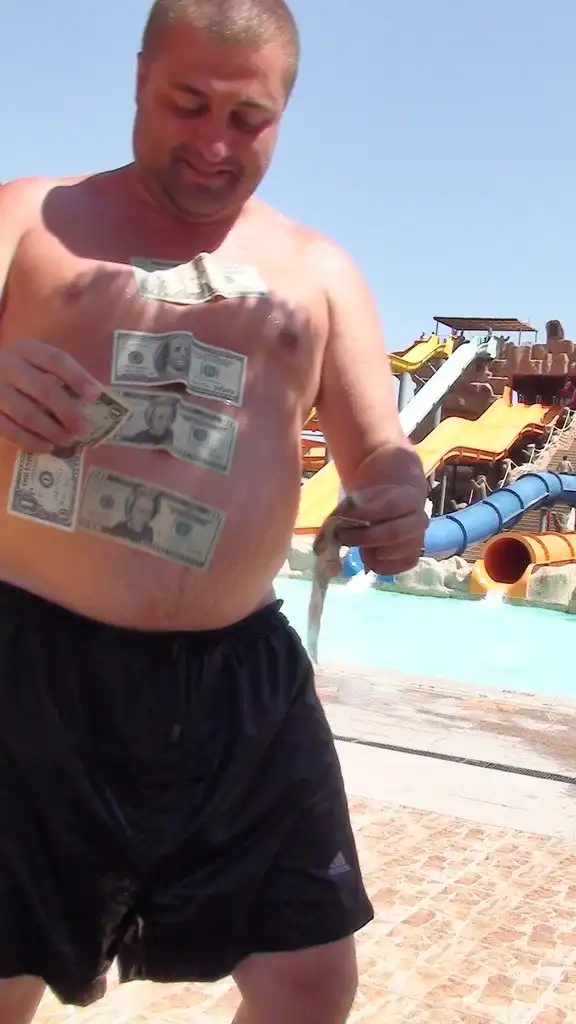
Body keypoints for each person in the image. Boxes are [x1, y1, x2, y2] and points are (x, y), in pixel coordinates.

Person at [0, 1, 427, 1021]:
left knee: (309, 980)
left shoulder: (318, 271)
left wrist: (399, 496)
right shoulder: (29, 216)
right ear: (139, 78)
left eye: (249, 118)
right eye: (187, 103)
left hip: (239, 683)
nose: (215, 143)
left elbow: (378, 448)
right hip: (26, 660)